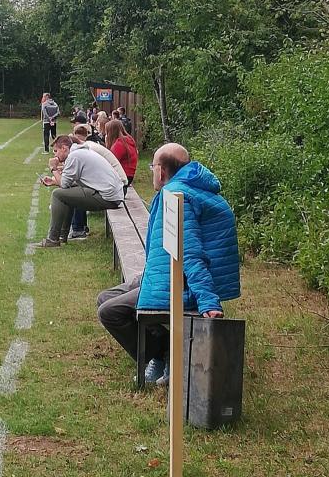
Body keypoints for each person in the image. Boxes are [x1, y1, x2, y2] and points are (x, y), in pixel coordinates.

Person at [97, 143, 240, 384]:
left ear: (161, 171)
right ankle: (163, 349)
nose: (152, 170)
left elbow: (191, 255)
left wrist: (207, 300)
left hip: (183, 286)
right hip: (169, 275)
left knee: (110, 312)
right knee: (105, 297)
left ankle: (163, 353)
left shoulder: (176, 197)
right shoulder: (191, 188)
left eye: (153, 166)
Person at [35, 135, 124, 248]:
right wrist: (54, 181)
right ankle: (62, 236)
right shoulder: (79, 153)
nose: (55, 155)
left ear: (64, 148)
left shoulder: (74, 156)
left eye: (56, 151)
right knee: (66, 194)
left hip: (107, 197)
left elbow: (64, 185)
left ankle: (53, 239)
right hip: (112, 194)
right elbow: (69, 183)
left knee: (57, 194)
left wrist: (53, 168)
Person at [64, 124, 128, 239]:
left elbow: (81, 177)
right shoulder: (86, 148)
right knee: (79, 188)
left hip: (119, 187)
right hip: (118, 184)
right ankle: (80, 227)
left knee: (77, 191)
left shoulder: (87, 151)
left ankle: (78, 229)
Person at [105, 119, 138, 196]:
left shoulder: (119, 144)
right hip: (129, 176)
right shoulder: (128, 140)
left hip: (122, 176)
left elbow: (109, 162)